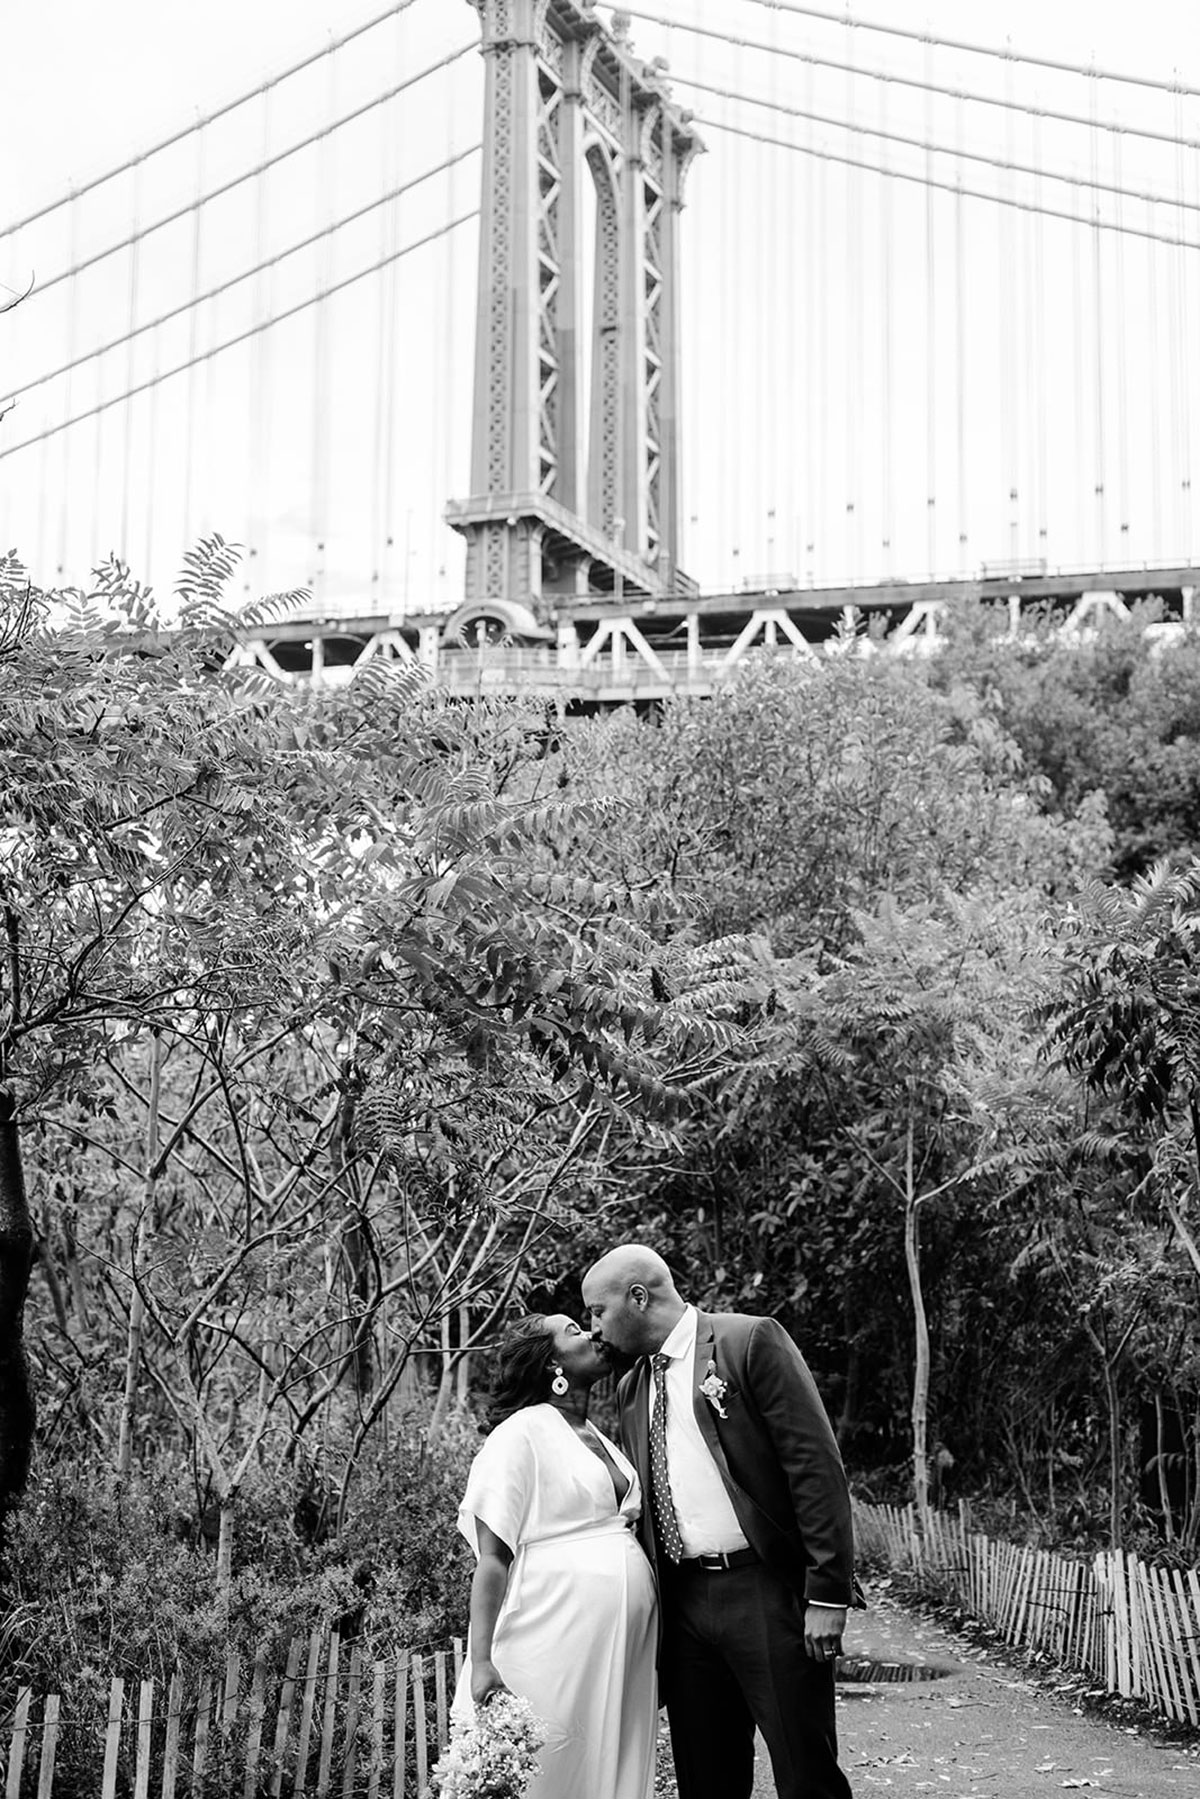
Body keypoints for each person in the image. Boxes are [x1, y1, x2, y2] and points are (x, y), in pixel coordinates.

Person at [582, 1244, 859, 1799]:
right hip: (684, 1608)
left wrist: (827, 1595)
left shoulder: (748, 1341)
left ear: (638, 1298)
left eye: (597, 1311)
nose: (593, 1329)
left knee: (806, 1775)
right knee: (706, 1779)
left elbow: (816, 1468)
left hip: (765, 1591)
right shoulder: (631, 1386)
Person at [451, 1312, 658, 1799]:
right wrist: (480, 1661)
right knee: (547, 1772)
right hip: (549, 1636)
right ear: (550, 1364)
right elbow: (493, 1558)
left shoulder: (597, 1435)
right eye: (573, 1331)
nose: (591, 1334)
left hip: (615, 1653)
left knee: (602, 1769)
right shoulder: (519, 1435)